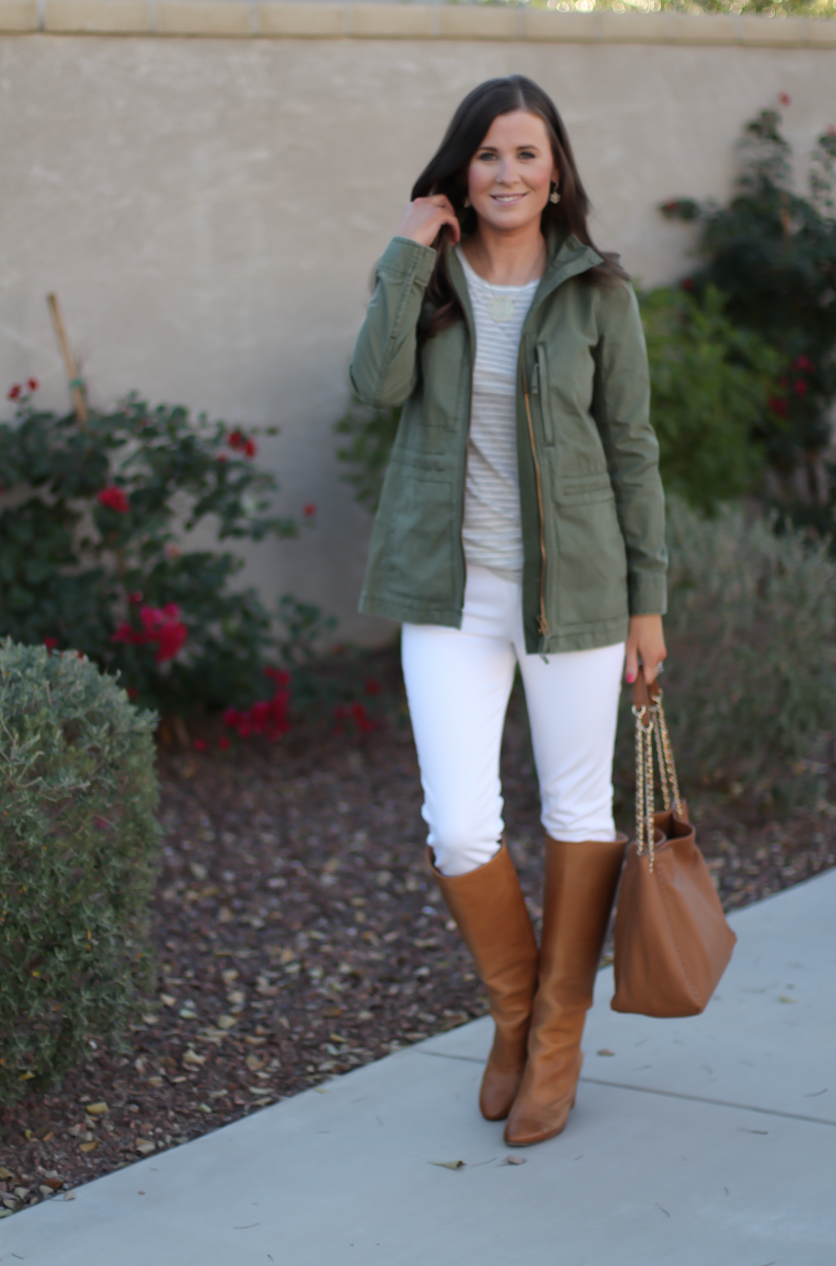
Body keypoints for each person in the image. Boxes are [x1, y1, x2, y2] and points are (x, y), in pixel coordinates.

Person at [349, 75, 667, 1148]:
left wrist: (649, 605)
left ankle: (559, 1038)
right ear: (460, 169)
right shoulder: (426, 280)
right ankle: (519, 1014)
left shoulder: (598, 296)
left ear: (556, 171)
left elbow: (633, 452)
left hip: (577, 593)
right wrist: (405, 252)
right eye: (487, 155)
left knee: (578, 812)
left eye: (526, 155)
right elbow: (373, 387)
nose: (507, 173)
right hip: (448, 592)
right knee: (458, 823)